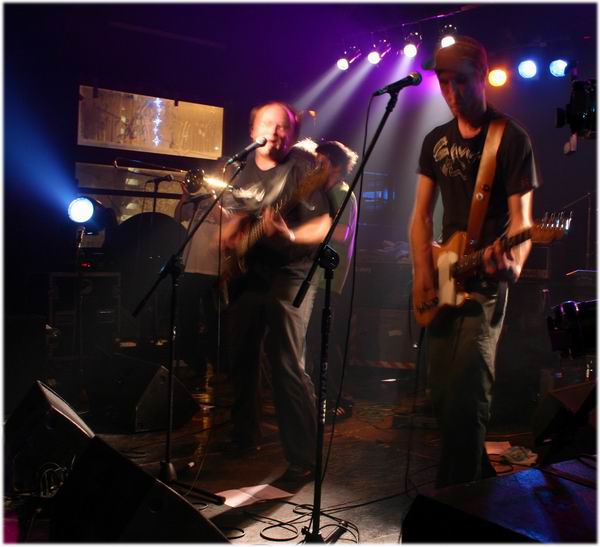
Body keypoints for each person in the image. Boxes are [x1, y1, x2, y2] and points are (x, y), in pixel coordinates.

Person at [409, 36, 538, 489]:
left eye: (460, 81)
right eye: (444, 82)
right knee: (442, 394)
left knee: (468, 393)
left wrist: (513, 263)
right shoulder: (435, 139)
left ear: (482, 77)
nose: (451, 92)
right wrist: (423, 273)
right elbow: (420, 216)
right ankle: (478, 484)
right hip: (442, 274)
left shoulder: (511, 138)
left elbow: (523, 222)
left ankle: (454, 501)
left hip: (483, 283)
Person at [221, 101, 332, 482]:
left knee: (286, 363)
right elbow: (233, 224)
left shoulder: (304, 171)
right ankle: (243, 436)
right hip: (249, 275)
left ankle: (304, 457)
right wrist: (232, 241)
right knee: (240, 357)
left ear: (293, 134)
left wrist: (290, 234)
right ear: (253, 131)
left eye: (284, 126)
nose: (276, 131)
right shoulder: (241, 170)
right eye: (269, 124)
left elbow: (324, 225)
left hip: (291, 273)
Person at [308, 140, 358, 420]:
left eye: (322, 162)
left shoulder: (341, 192)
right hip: (313, 278)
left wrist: (305, 228)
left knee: (324, 340)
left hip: (327, 279)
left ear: (337, 166)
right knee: (314, 340)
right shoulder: (322, 194)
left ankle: (335, 398)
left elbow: (342, 233)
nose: (316, 167)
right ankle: (318, 396)